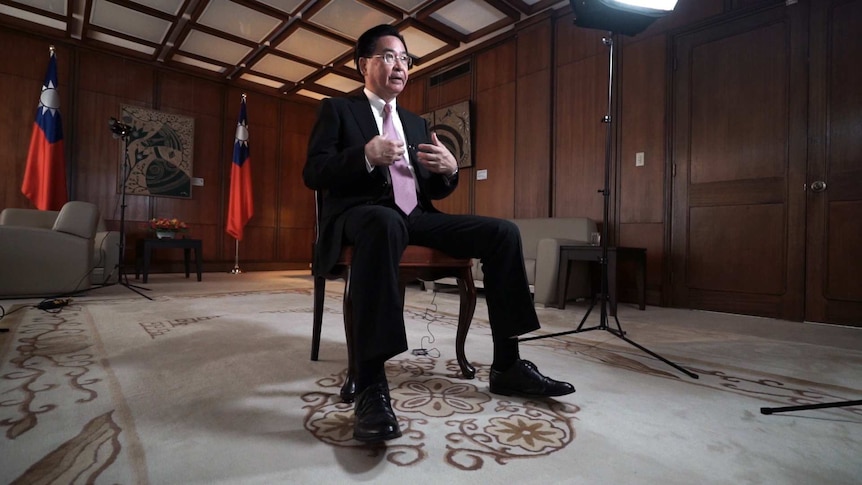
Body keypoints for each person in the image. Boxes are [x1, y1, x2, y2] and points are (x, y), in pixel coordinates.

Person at [303, 24, 574, 444]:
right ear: (364, 65)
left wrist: (447, 172)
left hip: (415, 216)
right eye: (390, 56)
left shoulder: (413, 122)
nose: (400, 66)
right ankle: (372, 381)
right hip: (361, 215)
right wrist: (364, 156)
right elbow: (314, 172)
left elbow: (428, 187)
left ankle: (508, 365)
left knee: (502, 232)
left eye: (406, 59)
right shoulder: (338, 110)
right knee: (384, 221)